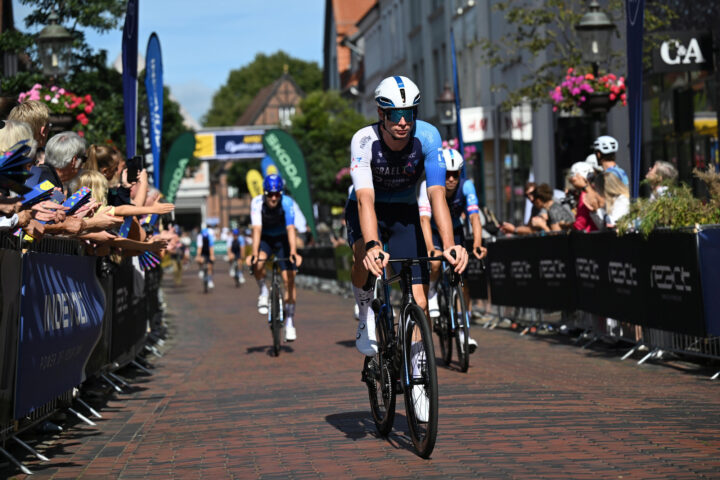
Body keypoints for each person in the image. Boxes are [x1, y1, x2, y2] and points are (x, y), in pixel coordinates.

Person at [346, 75, 468, 354]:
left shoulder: (428, 136)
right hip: (368, 208)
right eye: (395, 114)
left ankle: (417, 365)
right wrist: (373, 245)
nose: (403, 121)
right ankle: (365, 315)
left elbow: (437, 194)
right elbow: (365, 198)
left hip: (404, 211)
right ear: (381, 113)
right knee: (364, 257)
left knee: (420, 302)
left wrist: (449, 245)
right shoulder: (364, 140)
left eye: (409, 113)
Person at [417, 148, 487, 353]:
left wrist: (477, 243)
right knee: (435, 263)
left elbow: (474, 217)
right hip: (432, 232)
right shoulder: (427, 185)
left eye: (455, 174)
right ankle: (432, 290)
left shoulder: (467, 186)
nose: (450, 179)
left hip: (455, 232)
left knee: (462, 281)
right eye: (446, 174)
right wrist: (431, 248)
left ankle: (465, 332)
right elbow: (424, 220)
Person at [245, 174, 303, 342]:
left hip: (283, 239)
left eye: (277, 194)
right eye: (270, 194)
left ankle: (290, 322)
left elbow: (291, 229)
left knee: (289, 280)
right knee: (258, 263)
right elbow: (256, 229)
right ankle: (263, 290)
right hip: (265, 239)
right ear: (264, 193)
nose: (273, 198)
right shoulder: (257, 202)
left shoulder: (287, 202)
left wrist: (293, 252)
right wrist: (254, 253)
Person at [569, 161, 605, 232]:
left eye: (573, 176)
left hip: (590, 235)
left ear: (581, 177)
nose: (572, 180)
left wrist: (568, 226)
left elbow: (580, 224)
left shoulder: (585, 195)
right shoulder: (597, 190)